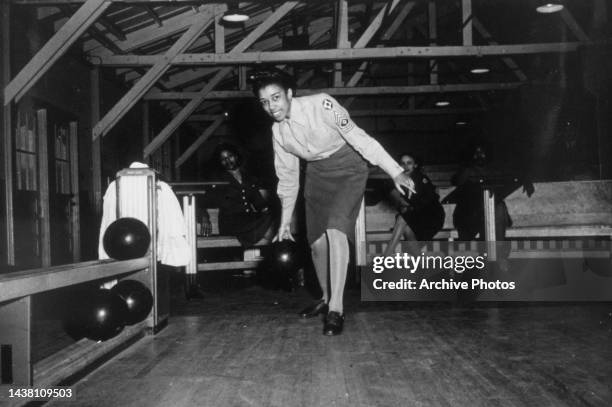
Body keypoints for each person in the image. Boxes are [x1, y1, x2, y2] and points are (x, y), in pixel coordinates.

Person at [250, 68, 415, 336]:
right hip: (317, 175)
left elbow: (360, 138)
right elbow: (288, 179)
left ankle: (337, 309)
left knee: (336, 229)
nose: (271, 106)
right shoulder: (278, 132)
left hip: (349, 168)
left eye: (276, 97)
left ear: (290, 94)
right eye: (265, 102)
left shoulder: (324, 104)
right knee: (316, 245)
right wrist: (284, 222)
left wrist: (394, 170)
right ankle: (326, 300)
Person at [451, 143, 534, 268]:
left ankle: (497, 256)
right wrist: (467, 171)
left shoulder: (495, 170)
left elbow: (514, 174)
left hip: (491, 210)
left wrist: (525, 179)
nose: (479, 155)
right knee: (491, 214)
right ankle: (487, 260)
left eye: (482, 152)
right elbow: (457, 182)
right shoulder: (466, 170)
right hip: (470, 214)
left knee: (498, 208)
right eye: (476, 152)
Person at [200, 143, 276, 248]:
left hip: (249, 220)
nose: (227, 160)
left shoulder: (248, 178)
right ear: (220, 162)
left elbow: (259, 203)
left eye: (230, 156)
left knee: (273, 220)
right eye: (223, 159)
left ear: (236, 156)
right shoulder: (218, 181)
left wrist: (269, 210)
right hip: (231, 223)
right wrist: (204, 217)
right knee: (270, 231)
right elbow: (202, 202)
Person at [383, 153, 445, 257]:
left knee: (403, 218)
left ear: (415, 165)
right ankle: (419, 264)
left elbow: (429, 200)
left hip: (431, 216)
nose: (405, 166)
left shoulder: (421, 178)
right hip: (415, 215)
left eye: (409, 163)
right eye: (402, 163)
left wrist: (409, 207)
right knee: (406, 227)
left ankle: (386, 256)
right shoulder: (398, 181)